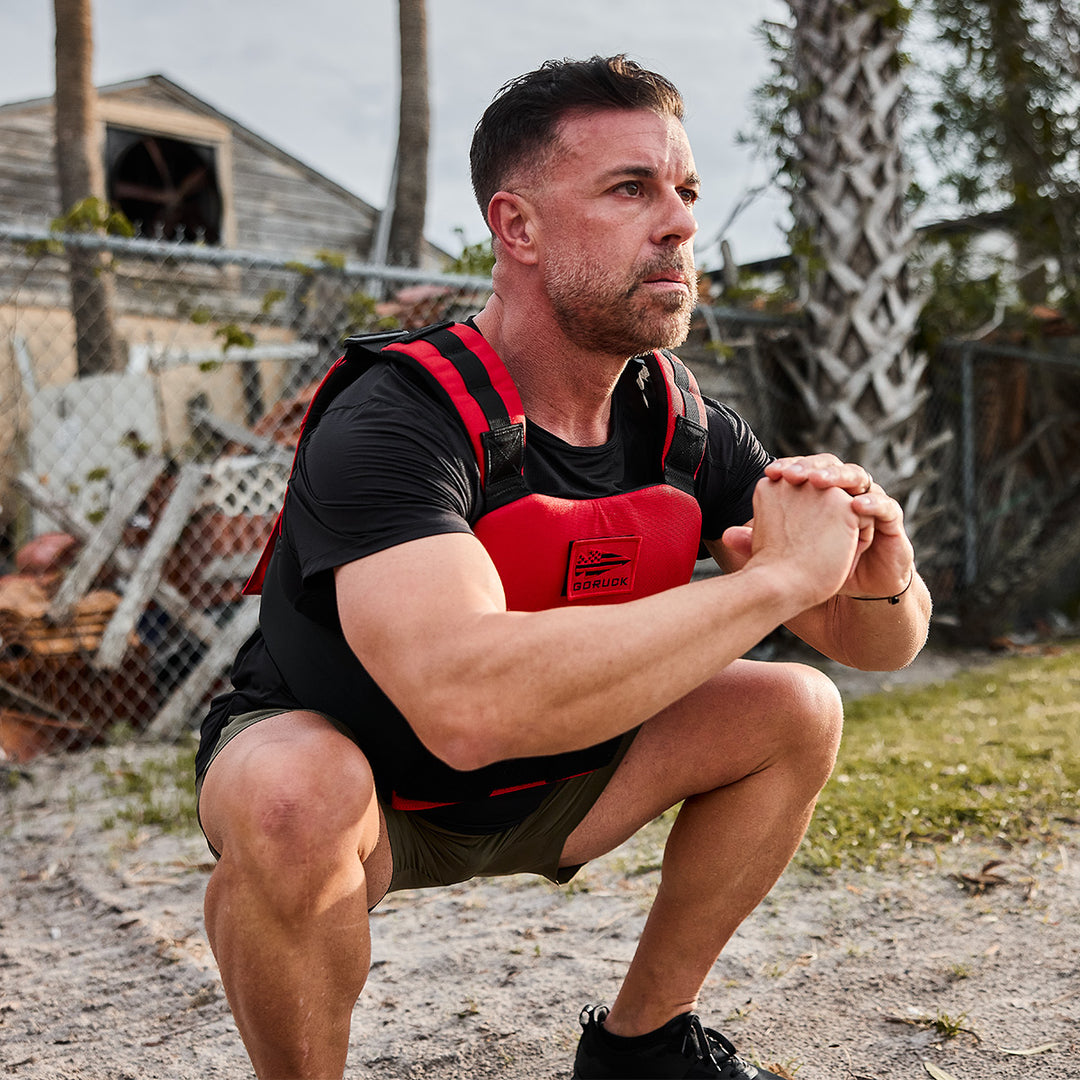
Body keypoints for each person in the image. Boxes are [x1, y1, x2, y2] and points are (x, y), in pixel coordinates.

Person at [195, 54, 931, 1080]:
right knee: (290, 791)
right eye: (631, 190)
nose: (678, 223)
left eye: (685, 193)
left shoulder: (683, 422)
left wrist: (879, 564)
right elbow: (462, 702)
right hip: (375, 797)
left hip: (566, 781)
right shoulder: (400, 417)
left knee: (798, 709)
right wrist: (772, 584)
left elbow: (881, 645)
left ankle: (645, 1049)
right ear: (519, 228)